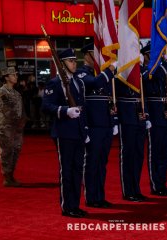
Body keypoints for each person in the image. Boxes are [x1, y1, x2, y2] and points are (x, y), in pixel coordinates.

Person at [42, 48, 88, 218]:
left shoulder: (78, 82)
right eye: (70, 61)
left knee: (77, 171)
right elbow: (46, 106)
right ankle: (67, 207)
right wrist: (64, 110)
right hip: (64, 132)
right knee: (67, 170)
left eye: (75, 60)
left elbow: (83, 107)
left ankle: (75, 205)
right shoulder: (55, 83)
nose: (74, 63)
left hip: (78, 131)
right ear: (61, 64)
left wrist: (85, 128)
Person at [76, 42, 116, 208]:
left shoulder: (101, 73)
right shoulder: (81, 73)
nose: (100, 57)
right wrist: (109, 71)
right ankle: (91, 197)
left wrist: (114, 120)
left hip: (106, 123)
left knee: (102, 163)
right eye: (95, 53)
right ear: (86, 55)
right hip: (92, 124)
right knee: (92, 162)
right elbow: (95, 83)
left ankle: (100, 195)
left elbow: (110, 97)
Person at [115, 46, 150, 202]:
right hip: (127, 115)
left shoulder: (140, 71)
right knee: (128, 154)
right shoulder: (120, 70)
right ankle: (128, 190)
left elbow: (144, 93)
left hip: (139, 115)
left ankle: (136, 188)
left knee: (138, 155)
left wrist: (146, 113)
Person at [142, 43, 167, 196]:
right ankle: (156, 185)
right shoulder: (146, 71)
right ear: (148, 56)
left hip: (165, 114)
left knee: (166, 152)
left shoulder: (162, 72)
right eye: (157, 55)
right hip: (154, 116)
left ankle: (162, 183)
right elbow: (153, 75)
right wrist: (164, 65)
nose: (160, 58)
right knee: (155, 152)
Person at [0, 67, 26, 187]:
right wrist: (18, 120)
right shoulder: (2, 91)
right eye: (13, 75)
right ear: (6, 77)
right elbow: (6, 109)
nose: (16, 77)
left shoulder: (16, 93)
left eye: (16, 74)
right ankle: (7, 177)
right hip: (6, 127)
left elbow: (21, 110)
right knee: (7, 152)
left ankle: (11, 175)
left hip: (17, 127)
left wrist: (24, 120)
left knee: (16, 151)